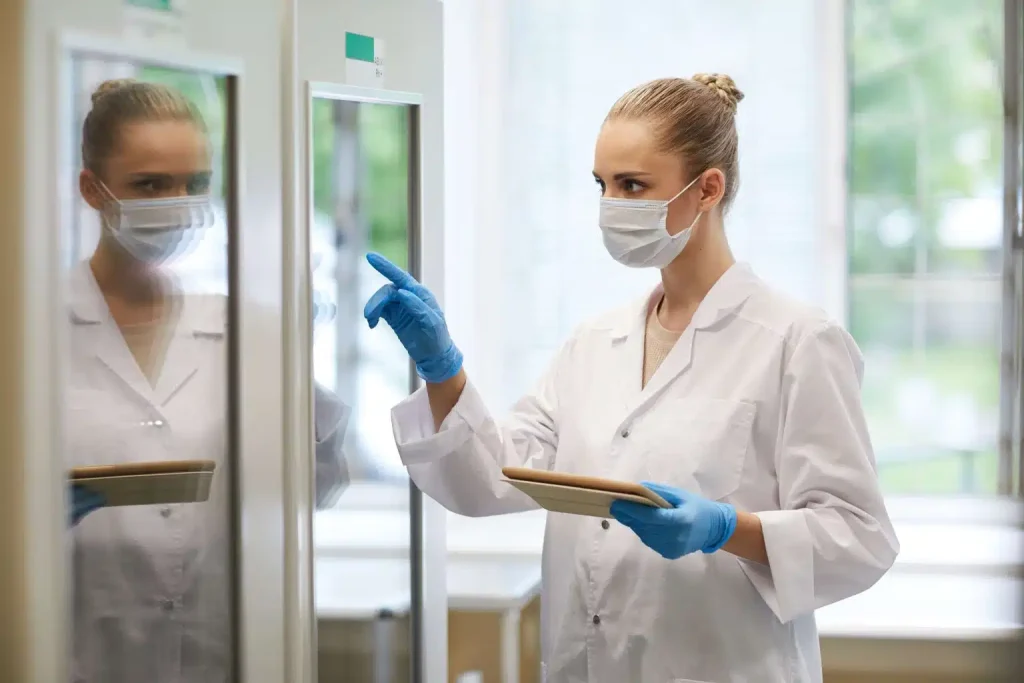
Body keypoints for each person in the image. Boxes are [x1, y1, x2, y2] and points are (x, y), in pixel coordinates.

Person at [363, 74, 899, 683]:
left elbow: (860, 537)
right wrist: (443, 370)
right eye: (603, 185)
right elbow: (493, 478)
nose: (612, 205)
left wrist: (727, 529)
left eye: (633, 185)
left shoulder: (797, 341)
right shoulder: (594, 343)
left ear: (708, 190)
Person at [67, 78, 349, 683]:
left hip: (223, 653)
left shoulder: (238, 326)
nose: (178, 202)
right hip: (79, 654)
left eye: (195, 184)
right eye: (150, 185)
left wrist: (299, 359)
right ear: (93, 190)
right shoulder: (29, 328)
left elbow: (314, 490)